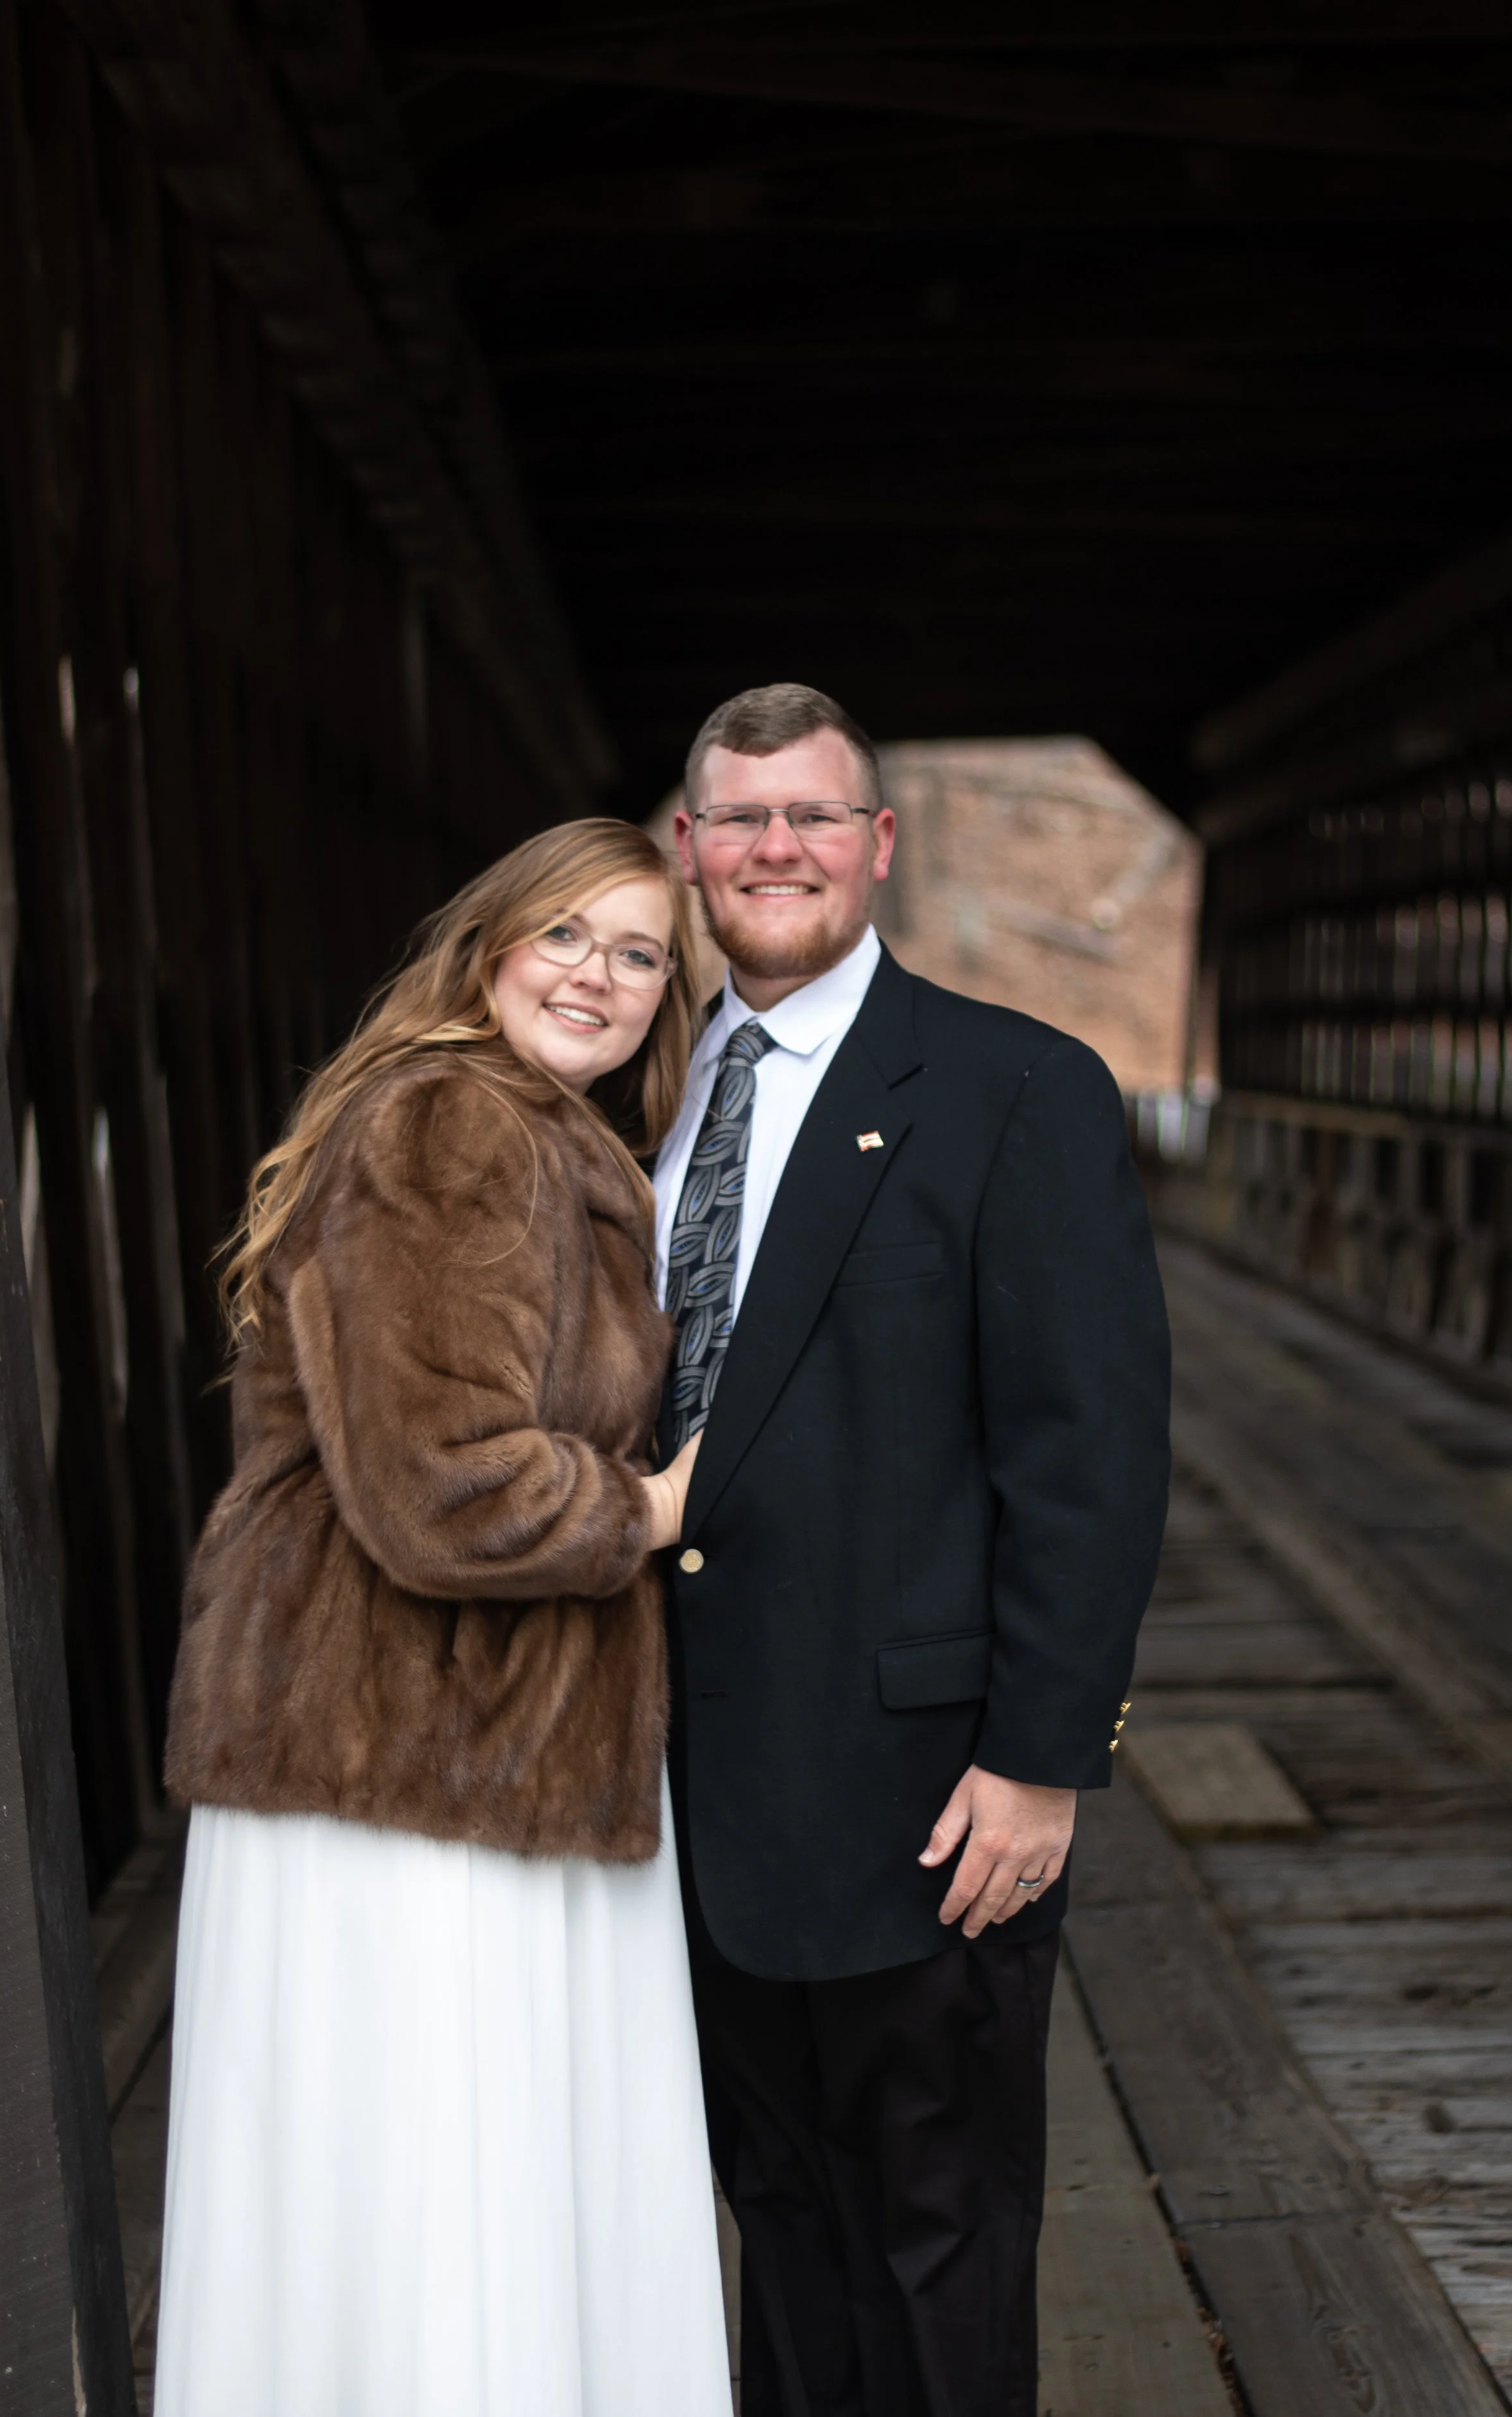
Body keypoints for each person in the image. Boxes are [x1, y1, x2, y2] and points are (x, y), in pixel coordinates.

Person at [154, 819, 730, 2417]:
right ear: (489, 948)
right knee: (435, 2198)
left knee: (437, 2202)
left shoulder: (540, 1131)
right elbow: (443, 1486)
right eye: (566, 936)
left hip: (462, 1739)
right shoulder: (455, 1123)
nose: (598, 978)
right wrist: (657, 1507)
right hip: (409, 1750)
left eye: (636, 956)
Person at [654, 684, 1170, 2417]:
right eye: (739, 818)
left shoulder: (1012, 1085)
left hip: (918, 1790)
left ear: (877, 845)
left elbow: (1085, 1453)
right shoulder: (634, 1087)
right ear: (687, 847)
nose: (773, 849)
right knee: (780, 2226)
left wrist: (1040, 1757)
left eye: (811, 816)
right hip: (675, 1787)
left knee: (937, 2235)